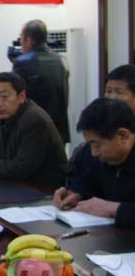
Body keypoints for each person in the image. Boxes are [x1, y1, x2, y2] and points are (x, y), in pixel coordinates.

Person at [0, 72, 68, 189]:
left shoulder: (35, 120)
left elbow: (22, 167)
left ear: (21, 96)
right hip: (14, 183)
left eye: (4, 97)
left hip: (42, 189)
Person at [53, 98, 135, 228]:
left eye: (97, 145)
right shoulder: (103, 158)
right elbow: (88, 181)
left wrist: (114, 208)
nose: (94, 153)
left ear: (123, 136)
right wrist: (75, 194)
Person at [12, 19, 70, 143]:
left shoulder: (22, 63)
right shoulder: (60, 60)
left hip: (34, 130)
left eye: (21, 38)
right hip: (59, 130)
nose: (20, 42)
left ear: (29, 40)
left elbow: (16, 98)